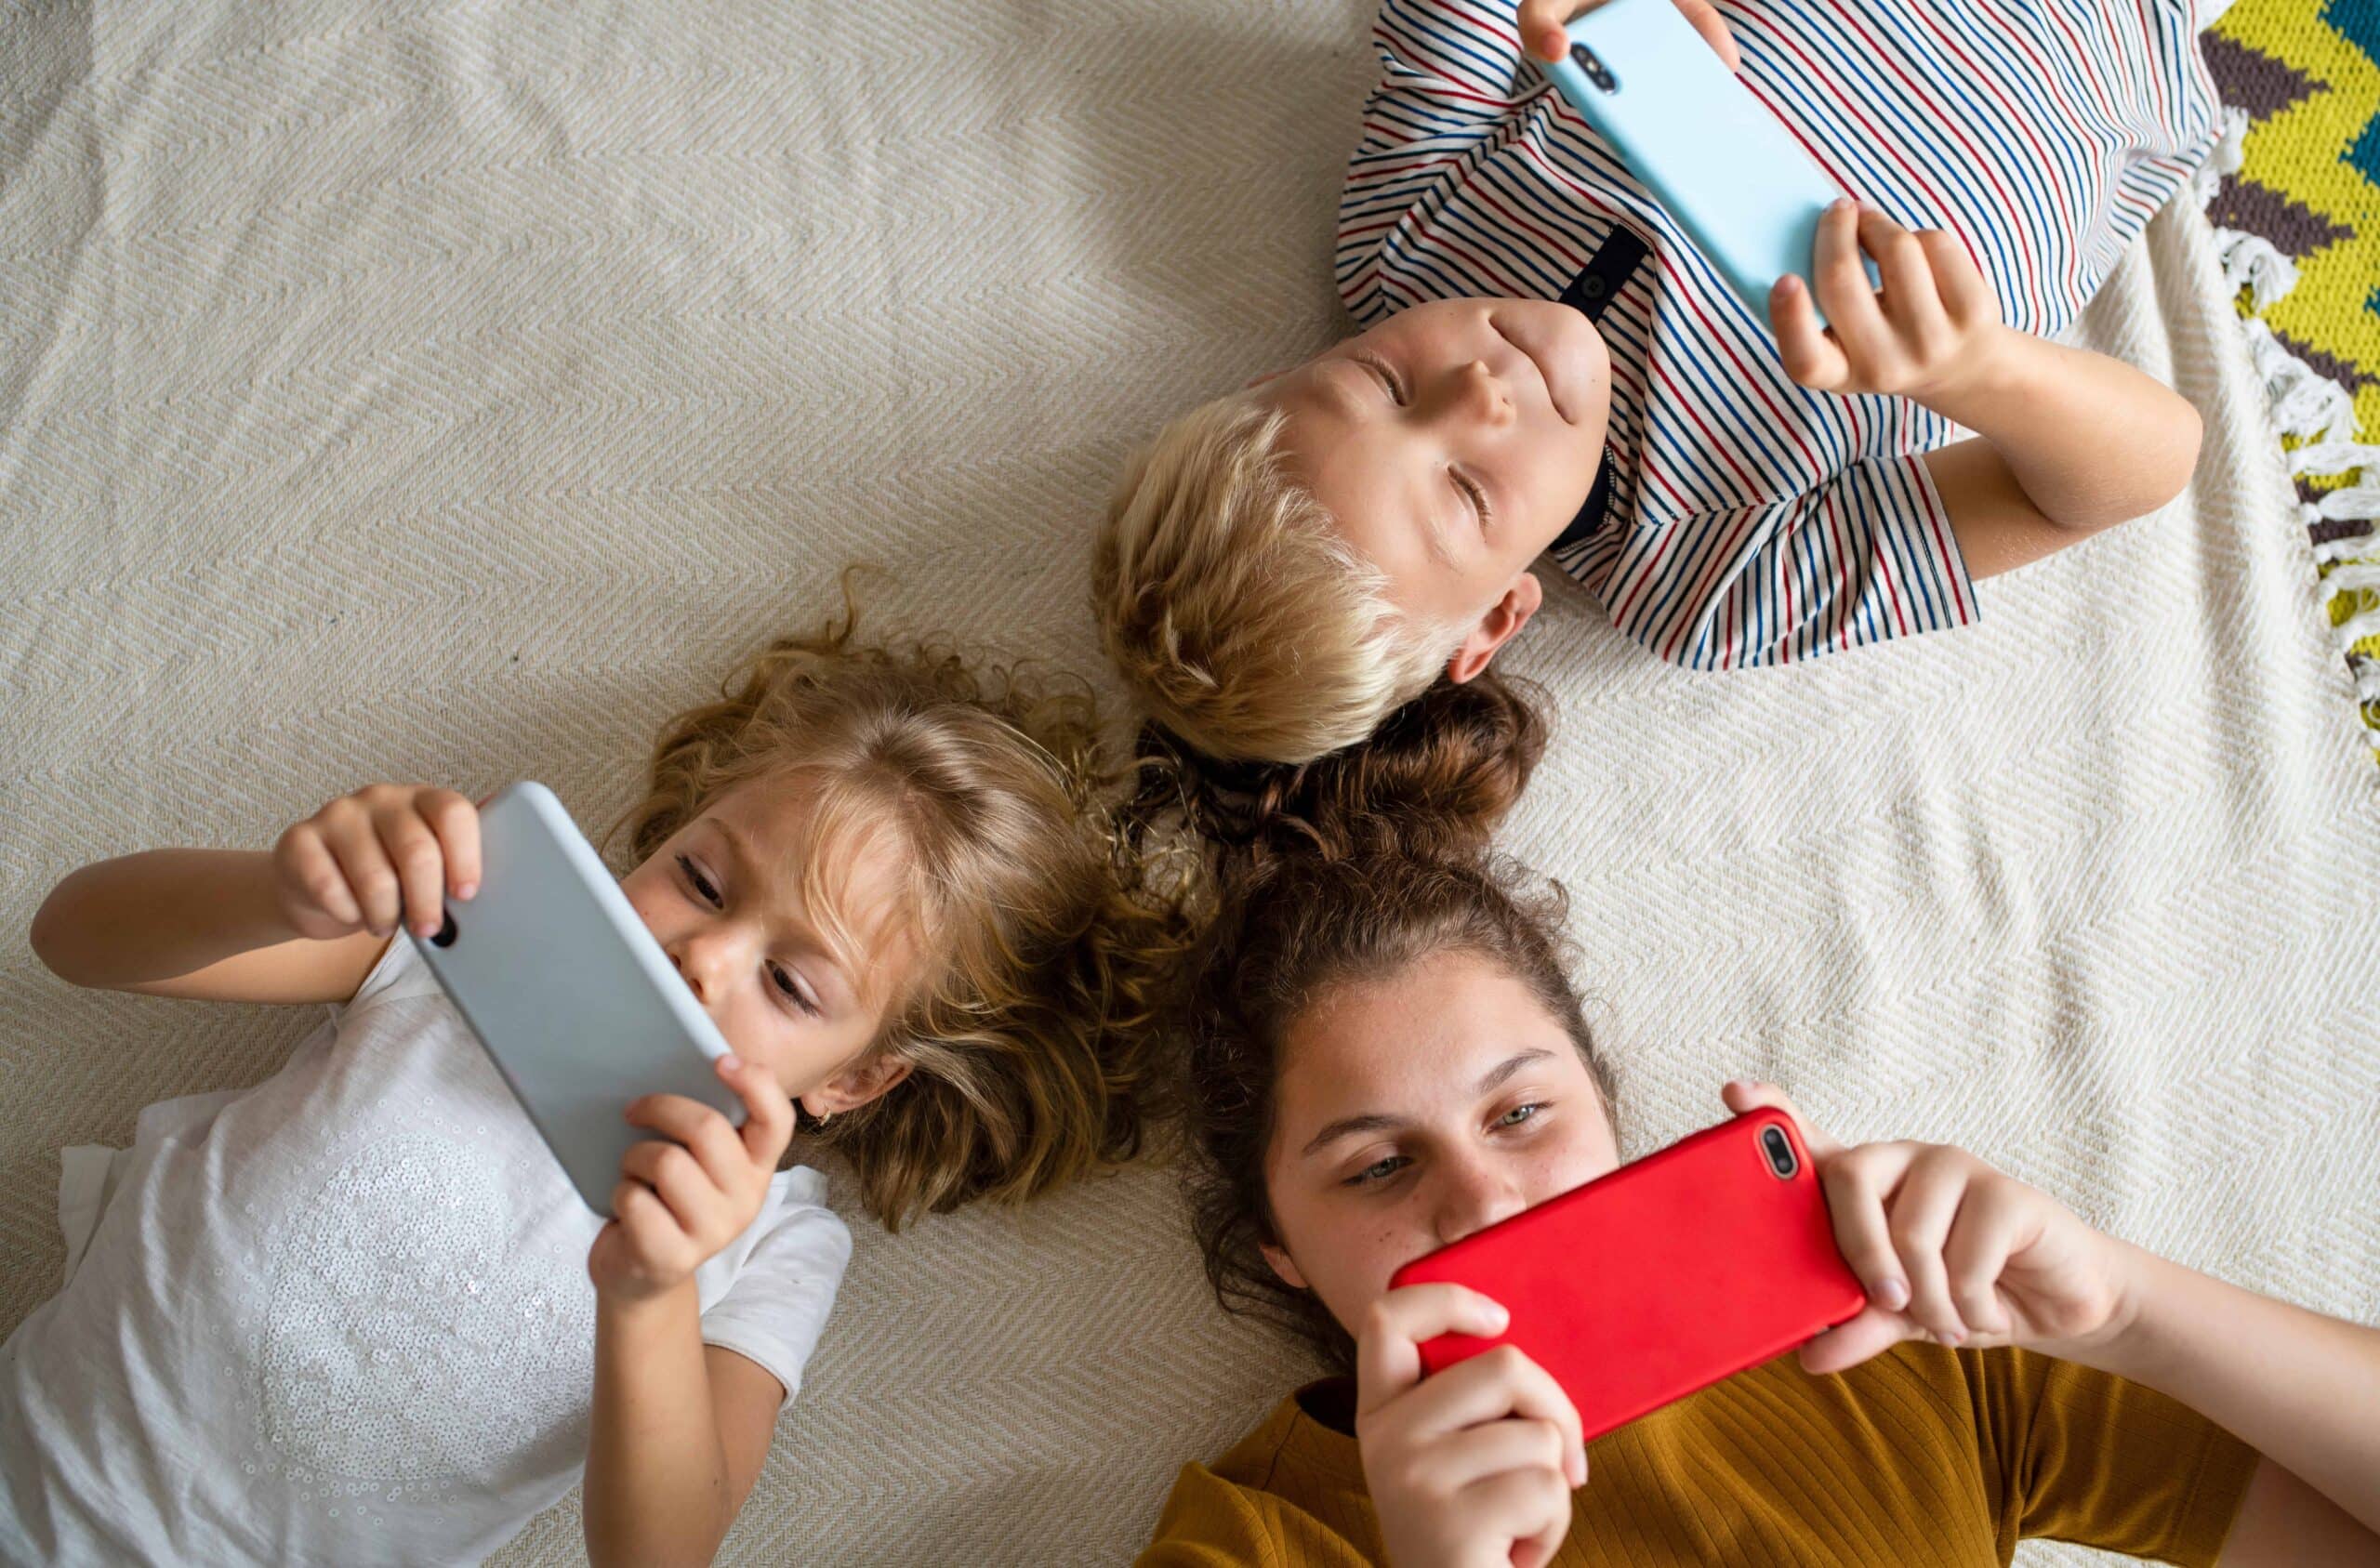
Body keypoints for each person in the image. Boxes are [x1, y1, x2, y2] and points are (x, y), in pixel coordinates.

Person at [5, 604, 1185, 1567]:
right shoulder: (454, 951)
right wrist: (284, 892)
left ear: (860, 1078)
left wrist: (650, 1295)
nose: (705, 957)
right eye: (704, 882)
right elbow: (74, 938)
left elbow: (657, 1554)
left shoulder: (769, 1245)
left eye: (788, 981)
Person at [1135, 698, 2380, 1565]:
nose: (1486, 1201)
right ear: (1280, 1246)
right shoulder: (1259, 1537)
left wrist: (2126, 1309)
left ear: (1607, 1107)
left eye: (1522, 1111)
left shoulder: (1890, 1333)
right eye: (1379, 1165)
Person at [1093, 0, 2213, 763]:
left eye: (1385, 382)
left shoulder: (1404, 239)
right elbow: (2145, 465)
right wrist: (1984, 374)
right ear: (1495, 617)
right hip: (2123, 41)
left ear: (1286, 371)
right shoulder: (1705, 573)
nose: (1477, 391)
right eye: (1467, 494)